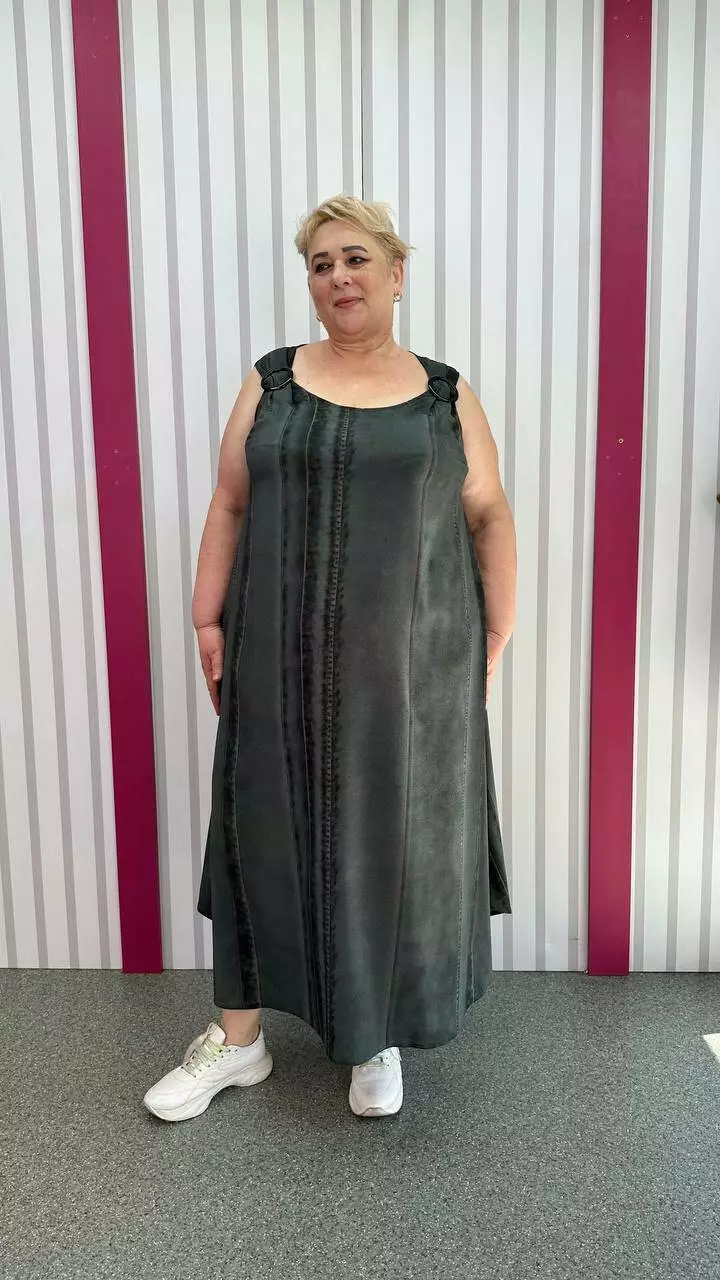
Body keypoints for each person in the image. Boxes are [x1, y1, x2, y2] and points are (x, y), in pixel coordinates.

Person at [143, 194, 515, 1123]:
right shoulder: (271, 382)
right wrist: (206, 619)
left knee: (389, 841)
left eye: (356, 259)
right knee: (257, 831)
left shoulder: (445, 393)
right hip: (276, 658)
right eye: (321, 264)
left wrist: (497, 631)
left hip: (412, 671)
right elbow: (231, 501)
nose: (339, 277)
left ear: (396, 274)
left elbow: (486, 512)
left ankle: (371, 1033)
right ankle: (238, 1041)